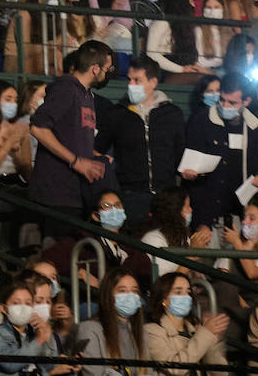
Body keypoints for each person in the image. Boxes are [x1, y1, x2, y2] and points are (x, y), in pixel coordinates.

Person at [29, 41, 116, 228]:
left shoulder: (85, 95)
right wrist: (76, 161)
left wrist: (93, 156)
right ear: (94, 69)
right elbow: (38, 128)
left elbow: (70, 136)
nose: (108, 73)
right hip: (56, 194)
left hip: (76, 192)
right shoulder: (66, 89)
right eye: (107, 69)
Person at [96, 58, 185, 224]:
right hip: (131, 195)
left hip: (166, 195)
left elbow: (180, 151)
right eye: (129, 79)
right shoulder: (117, 114)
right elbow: (98, 147)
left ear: (153, 82)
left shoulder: (172, 113)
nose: (131, 84)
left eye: (137, 80)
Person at [181, 73, 258, 227]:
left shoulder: (253, 126)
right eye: (222, 100)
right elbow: (189, 160)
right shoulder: (201, 120)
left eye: (232, 103)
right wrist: (188, 174)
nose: (225, 106)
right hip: (207, 213)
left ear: (246, 101)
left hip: (240, 214)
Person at [143, 272, 229, 374]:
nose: (186, 297)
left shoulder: (196, 330)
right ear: (164, 299)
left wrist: (212, 339)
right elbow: (174, 369)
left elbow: (220, 373)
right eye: (178, 292)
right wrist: (205, 334)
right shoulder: (152, 331)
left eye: (188, 292)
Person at [73, 267, 146, 376]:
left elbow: (148, 372)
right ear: (108, 295)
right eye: (122, 290)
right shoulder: (90, 329)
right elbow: (94, 373)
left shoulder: (142, 333)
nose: (130, 296)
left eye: (134, 291)